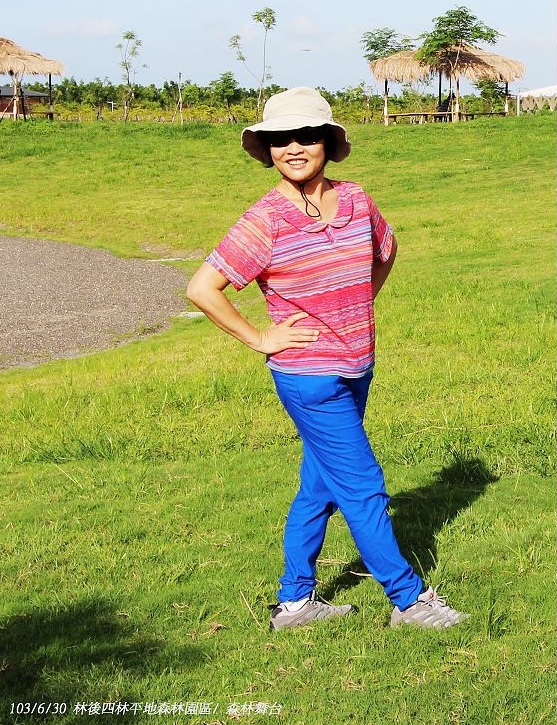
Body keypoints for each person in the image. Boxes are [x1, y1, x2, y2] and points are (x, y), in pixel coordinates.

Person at [186, 87, 468, 631]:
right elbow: (202, 289)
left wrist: (358, 303)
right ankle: (409, 601)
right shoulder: (265, 220)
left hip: (358, 364)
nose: (293, 147)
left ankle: (295, 604)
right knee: (363, 487)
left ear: (327, 143)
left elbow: (386, 251)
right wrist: (259, 338)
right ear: (267, 149)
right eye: (280, 139)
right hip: (309, 376)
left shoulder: (358, 200)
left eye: (306, 136)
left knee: (319, 486)